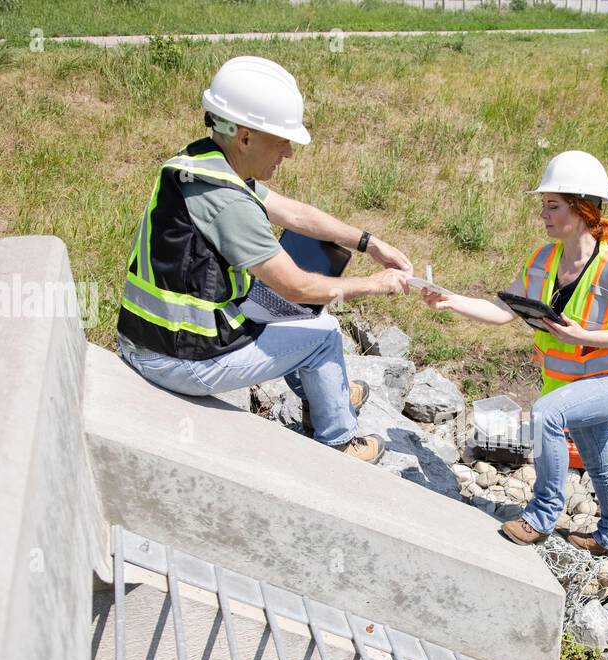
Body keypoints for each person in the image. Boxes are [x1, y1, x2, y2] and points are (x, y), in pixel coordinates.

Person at [116, 56, 412, 463]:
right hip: (177, 360)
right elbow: (297, 285)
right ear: (245, 137)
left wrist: (368, 243)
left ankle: (322, 390)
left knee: (281, 308)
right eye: (282, 140)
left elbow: (294, 214)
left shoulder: (203, 163)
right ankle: (340, 441)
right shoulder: (227, 203)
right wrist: (376, 284)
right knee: (322, 330)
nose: (288, 152)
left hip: (148, 337)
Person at [420, 151, 608, 556]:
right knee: (597, 460)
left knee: (546, 414)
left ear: (582, 210)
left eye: (552, 206)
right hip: (570, 383)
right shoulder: (543, 260)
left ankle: (542, 515)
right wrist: (451, 300)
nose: (542, 214)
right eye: (543, 205)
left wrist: (586, 335)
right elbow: (502, 310)